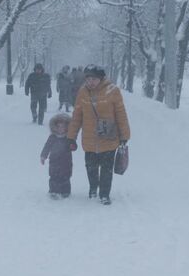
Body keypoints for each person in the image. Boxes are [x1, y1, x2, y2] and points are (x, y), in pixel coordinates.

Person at [67, 64, 130, 205]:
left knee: (106, 170)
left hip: (109, 138)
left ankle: (104, 194)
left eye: (93, 79)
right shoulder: (83, 92)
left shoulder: (113, 91)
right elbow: (77, 115)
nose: (90, 82)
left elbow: (121, 114)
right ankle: (93, 188)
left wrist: (124, 135)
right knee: (91, 168)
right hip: (89, 139)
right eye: (88, 79)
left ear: (101, 78)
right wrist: (71, 136)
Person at [41, 113, 76, 199]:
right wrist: (43, 156)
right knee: (54, 177)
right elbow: (47, 146)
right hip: (54, 162)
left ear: (66, 127)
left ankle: (65, 191)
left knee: (66, 177)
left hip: (66, 162)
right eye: (58, 127)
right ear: (55, 127)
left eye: (63, 127)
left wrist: (72, 146)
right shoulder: (52, 137)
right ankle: (53, 191)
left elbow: (74, 146)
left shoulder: (68, 137)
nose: (60, 129)